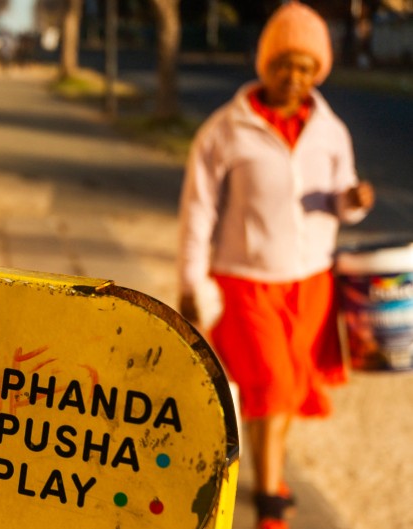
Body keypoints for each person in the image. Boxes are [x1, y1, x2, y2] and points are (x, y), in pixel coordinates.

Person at [176, 3, 376, 529]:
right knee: (273, 382)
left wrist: (354, 200)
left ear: (319, 72)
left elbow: (340, 201)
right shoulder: (225, 130)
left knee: (281, 390)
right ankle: (269, 493)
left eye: (306, 67)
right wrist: (190, 281)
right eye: (283, 64)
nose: (294, 77)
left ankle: (270, 474)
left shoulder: (330, 131)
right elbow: (198, 209)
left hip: (311, 281)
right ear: (263, 64)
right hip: (246, 281)